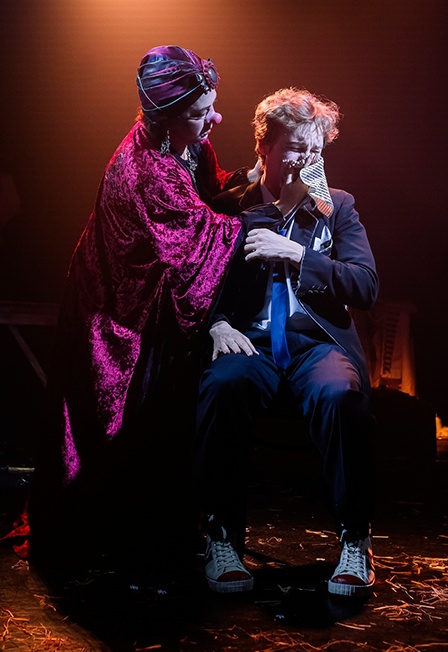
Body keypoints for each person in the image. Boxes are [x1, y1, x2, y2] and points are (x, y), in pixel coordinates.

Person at [23, 47, 304, 573]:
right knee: (124, 417)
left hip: (155, 291)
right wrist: (271, 208)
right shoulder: (145, 168)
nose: (215, 119)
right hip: (117, 308)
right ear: (166, 117)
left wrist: (251, 177)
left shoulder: (186, 140)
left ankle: (166, 529)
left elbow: (206, 196)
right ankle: (123, 536)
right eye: (201, 112)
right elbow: (198, 239)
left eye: (211, 106)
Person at [193, 87, 379, 597]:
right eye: (297, 147)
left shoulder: (336, 206)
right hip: (249, 340)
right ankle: (221, 537)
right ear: (264, 146)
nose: (308, 159)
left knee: (341, 395)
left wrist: (300, 256)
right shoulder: (227, 208)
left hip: (314, 343)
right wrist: (216, 322)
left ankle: (355, 538)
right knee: (223, 386)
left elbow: (366, 286)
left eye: (316, 149)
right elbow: (194, 284)